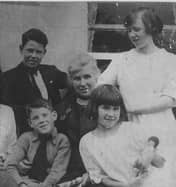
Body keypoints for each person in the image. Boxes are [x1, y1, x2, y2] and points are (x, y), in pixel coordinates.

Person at [97, 7, 176, 186]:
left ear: (151, 29)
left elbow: (171, 99)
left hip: (163, 129)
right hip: (130, 128)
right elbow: (100, 87)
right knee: (135, 178)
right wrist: (117, 105)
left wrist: (133, 106)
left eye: (137, 29)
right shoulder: (122, 60)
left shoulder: (170, 60)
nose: (132, 34)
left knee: (161, 179)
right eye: (129, 30)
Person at [80, 84, 166, 187]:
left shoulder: (132, 129)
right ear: (94, 108)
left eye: (115, 109)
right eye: (106, 108)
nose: (111, 114)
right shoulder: (87, 142)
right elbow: (99, 178)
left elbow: (161, 164)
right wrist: (127, 186)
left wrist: (150, 152)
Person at [0, 28, 67, 135]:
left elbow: (75, 84)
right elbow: (7, 112)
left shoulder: (51, 72)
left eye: (38, 52)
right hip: (27, 136)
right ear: (21, 49)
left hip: (56, 133)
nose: (34, 56)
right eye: (30, 50)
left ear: (44, 53)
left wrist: (64, 109)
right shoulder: (8, 78)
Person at [55, 53, 100, 184]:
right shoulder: (63, 107)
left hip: (99, 170)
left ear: (96, 76)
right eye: (77, 78)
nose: (82, 83)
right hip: (70, 170)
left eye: (87, 77)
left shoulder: (107, 105)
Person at [7, 99, 71, 187]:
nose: (41, 120)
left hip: (50, 184)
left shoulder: (62, 141)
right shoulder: (26, 138)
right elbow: (10, 165)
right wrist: (21, 183)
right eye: (35, 118)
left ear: (54, 116)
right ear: (30, 123)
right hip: (26, 183)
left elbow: (57, 171)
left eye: (45, 115)